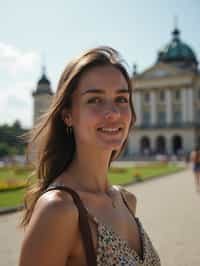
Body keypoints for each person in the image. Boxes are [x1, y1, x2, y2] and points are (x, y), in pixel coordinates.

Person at [19, 46, 161, 266]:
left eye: (121, 99)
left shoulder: (126, 200)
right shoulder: (58, 210)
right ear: (68, 115)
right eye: (95, 100)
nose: (113, 112)